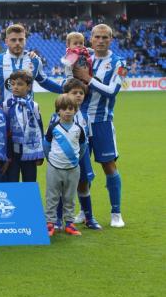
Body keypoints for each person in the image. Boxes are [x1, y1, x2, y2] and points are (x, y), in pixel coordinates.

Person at [73, 24, 126, 228]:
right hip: (81, 123)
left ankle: (116, 213)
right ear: (91, 39)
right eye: (97, 37)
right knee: (82, 170)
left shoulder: (119, 64)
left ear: (111, 39)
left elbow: (112, 91)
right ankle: (84, 211)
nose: (101, 40)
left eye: (105, 37)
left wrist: (88, 78)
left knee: (109, 166)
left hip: (103, 121)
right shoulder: (84, 59)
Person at [53, 78, 102, 230]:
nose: (79, 95)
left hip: (82, 156)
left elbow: (88, 139)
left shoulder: (85, 116)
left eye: (81, 93)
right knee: (61, 187)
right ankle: (58, 219)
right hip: (62, 157)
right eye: (74, 93)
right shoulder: (56, 117)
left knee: (83, 185)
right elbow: (50, 139)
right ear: (66, 94)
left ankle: (89, 217)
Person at [0, 24, 62, 102]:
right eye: (13, 40)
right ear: (6, 42)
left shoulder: (34, 60)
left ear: (25, 41)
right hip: (3, 118)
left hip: (27, 117)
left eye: (21, 40)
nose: (17, 43)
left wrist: (66, 90)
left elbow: (45, 82)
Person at [44, 95, 88, 237]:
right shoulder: (53, 128)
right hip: (54, 168)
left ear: (75, 110)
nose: (67, 111)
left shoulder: (79, 129)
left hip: (73, 169)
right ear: (58, 111)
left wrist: (74, 160)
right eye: (64, 109)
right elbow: (46, 146)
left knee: (69, 197)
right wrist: (52, 160)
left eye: (71, 108)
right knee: (52, 196)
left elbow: (82, 147)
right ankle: (50, 223)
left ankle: (69, 223)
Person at [1, 70, 44, 183]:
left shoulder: (34, 106)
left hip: (30, 151)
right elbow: (3, 130)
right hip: (12, 152)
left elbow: (40, 129)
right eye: (13, 84)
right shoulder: (6, 105)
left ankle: (28, 201)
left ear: (28, 87)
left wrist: (40, 153)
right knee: (12, 183)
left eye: (19, 84)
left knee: (30, 182)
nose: (15, 87)